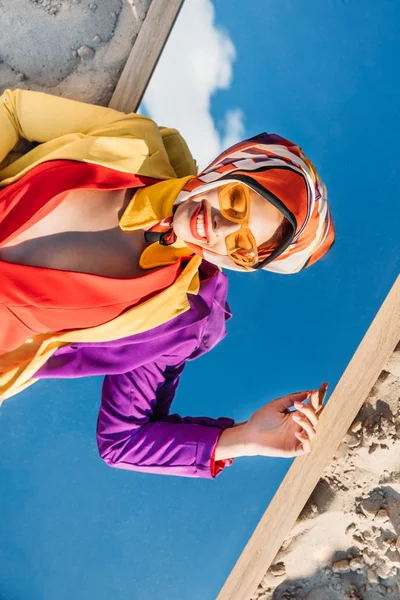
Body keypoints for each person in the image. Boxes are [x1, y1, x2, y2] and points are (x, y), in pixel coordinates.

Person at [0, 88, 334, 479]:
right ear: (228, 169)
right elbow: (15, 113)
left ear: (238, 264)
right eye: (236, 202)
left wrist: (243, 438)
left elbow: (123, 440)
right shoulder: (135, 144)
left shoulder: (173, 322)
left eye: (241, 246)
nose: (220, 227)